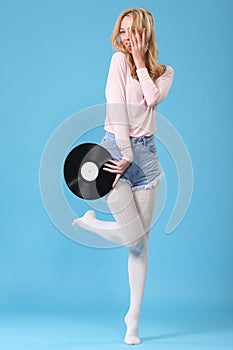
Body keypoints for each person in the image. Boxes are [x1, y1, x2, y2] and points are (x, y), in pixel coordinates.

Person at [73, 7, 174, 345]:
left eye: (133, 31)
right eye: (124, 31)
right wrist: (125, 153)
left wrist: (143, 63)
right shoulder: (117, 62)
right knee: (135, 238)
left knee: (139, 246)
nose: (127, 38)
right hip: (114, 153)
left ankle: (133, 319)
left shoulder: (164, 72)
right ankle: (90, 223)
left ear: (145, 34)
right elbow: (115, 107)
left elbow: (152, 98)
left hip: (148, 161)